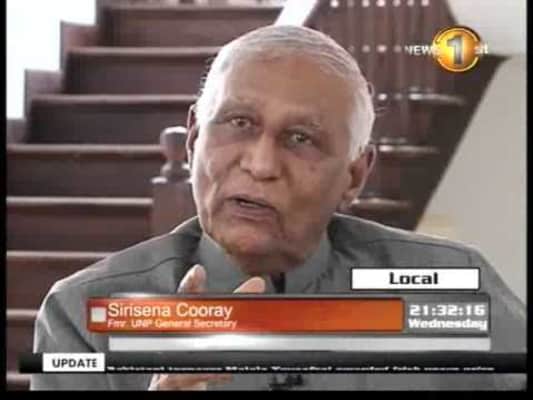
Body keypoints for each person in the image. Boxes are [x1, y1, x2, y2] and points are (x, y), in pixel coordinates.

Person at [31, 25, 526, 390]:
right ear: (194, 138)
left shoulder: (455, 290)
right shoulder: (86, 314)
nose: (262, 164)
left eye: (301, 138)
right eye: (239, 123)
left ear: (355, 175)